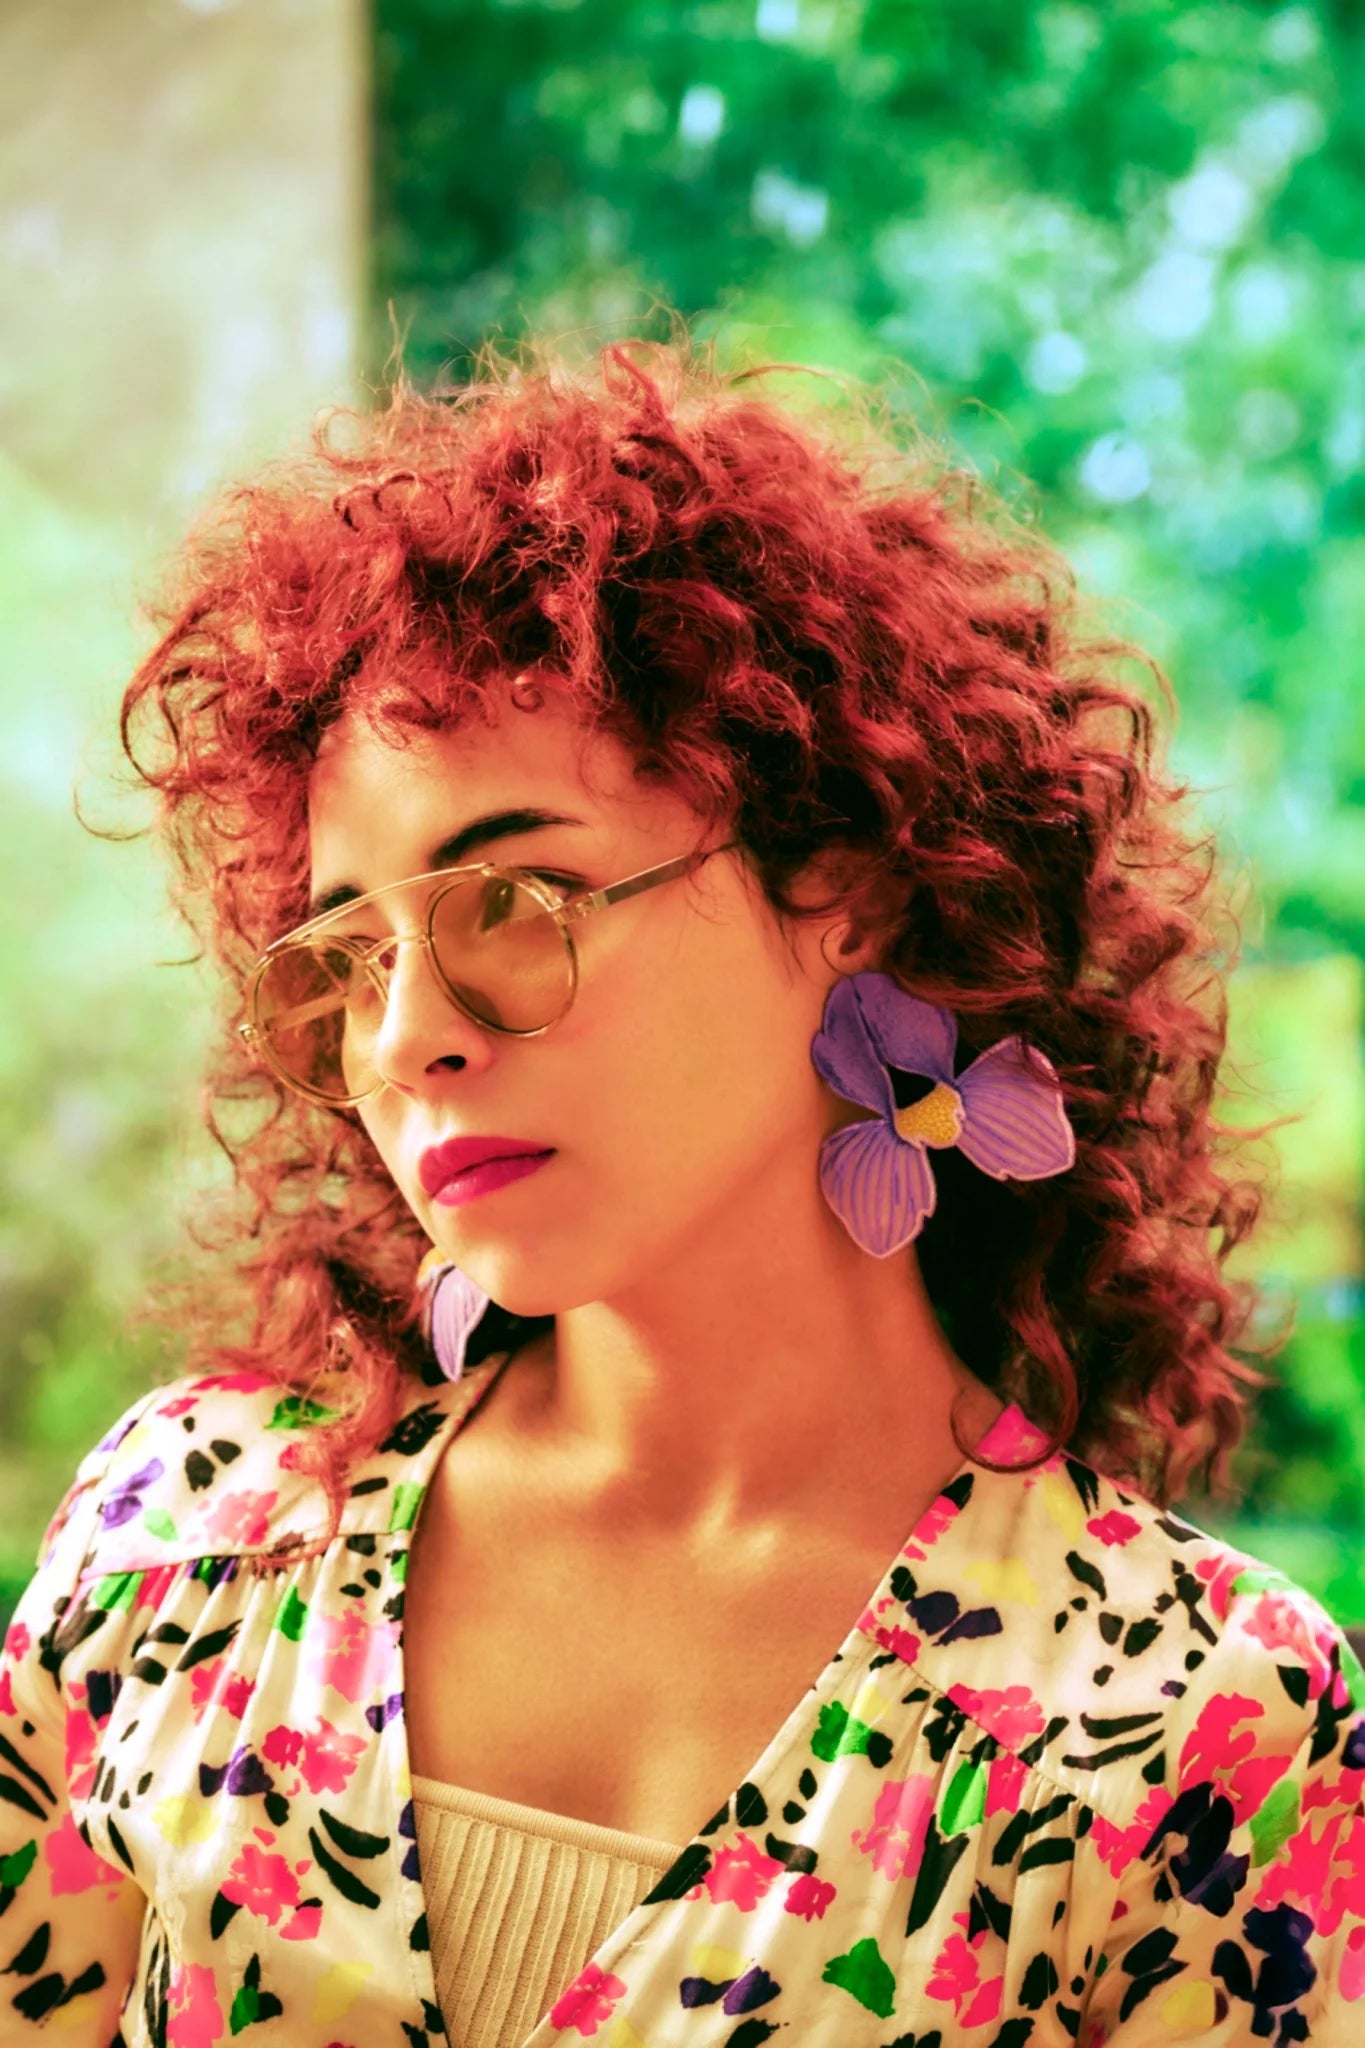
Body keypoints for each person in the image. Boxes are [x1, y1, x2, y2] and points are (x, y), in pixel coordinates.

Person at [1, 340, 1360, 2048]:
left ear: (844, 887)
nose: (405, 1037)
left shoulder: (1205, 1727)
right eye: (347, 956)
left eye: (516, 900)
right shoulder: (188, 1535)